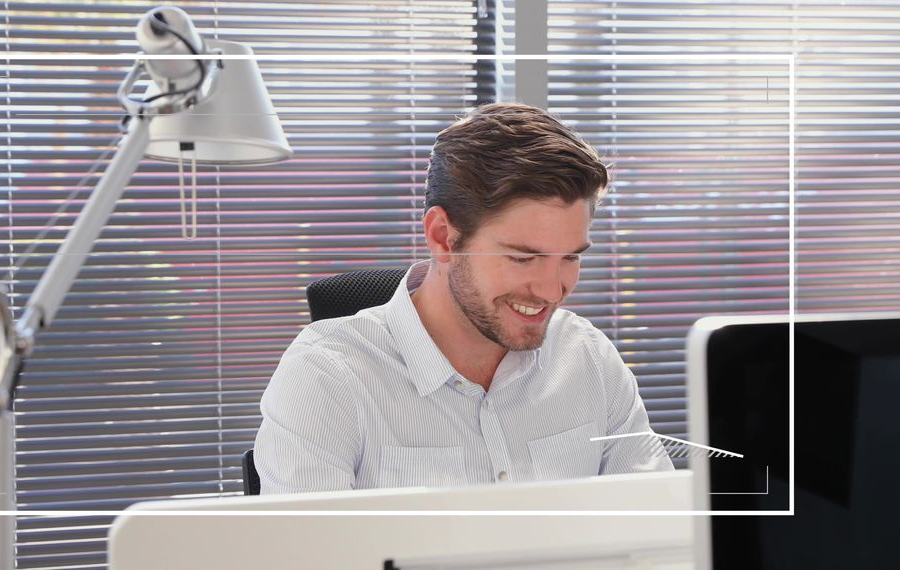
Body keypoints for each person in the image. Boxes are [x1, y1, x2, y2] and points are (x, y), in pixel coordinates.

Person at [254, 102, 673, 494]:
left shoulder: (587, 357)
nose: (551, 291)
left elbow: (657, 532)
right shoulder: (327, 378)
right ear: (443, 237)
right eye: (524, 258)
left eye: (569, 257)